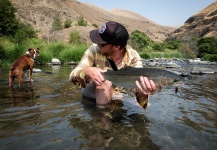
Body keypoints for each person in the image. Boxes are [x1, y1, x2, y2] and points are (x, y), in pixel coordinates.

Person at [69, 21, 156, 108]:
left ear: (117, 46)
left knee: (146, 106)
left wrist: (143, 92)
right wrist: (87, 71)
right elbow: (72, 76)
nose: (98, 44)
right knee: (105, 81)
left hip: (119, 95)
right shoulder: (95, 49)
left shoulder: (133, 57)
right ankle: (102, 120)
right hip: (93, 92)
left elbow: (137, 90)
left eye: (102, 43)